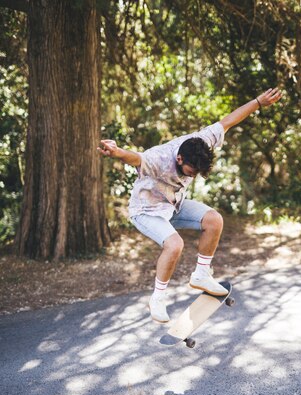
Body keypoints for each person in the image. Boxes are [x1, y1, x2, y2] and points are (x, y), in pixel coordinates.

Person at [98, 88, 282, 323]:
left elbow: (227, 122)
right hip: (146, 211)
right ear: (179, 159)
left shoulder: (202, 142)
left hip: (174, 206)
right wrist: (116, 152)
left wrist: (258, 102)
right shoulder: (159, 159)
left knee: (214, 219)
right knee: (175, 244)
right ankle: (157, 299)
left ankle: (202, 274)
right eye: (191, 172)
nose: (193, 177)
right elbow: (135, 157)